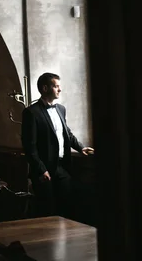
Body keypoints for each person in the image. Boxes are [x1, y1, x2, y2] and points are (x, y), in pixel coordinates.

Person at [21, 72, 94, 219]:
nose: (60, 90)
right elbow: (30, 146)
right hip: (44, 170)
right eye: (56, 86)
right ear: (45, 88)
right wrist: (41, 170)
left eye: (60, 86)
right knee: (47, 211)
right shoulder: (31, 112)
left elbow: (67, 133)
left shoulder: (61, 109)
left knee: (67, 206)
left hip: (62, 167)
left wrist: (81, 147)